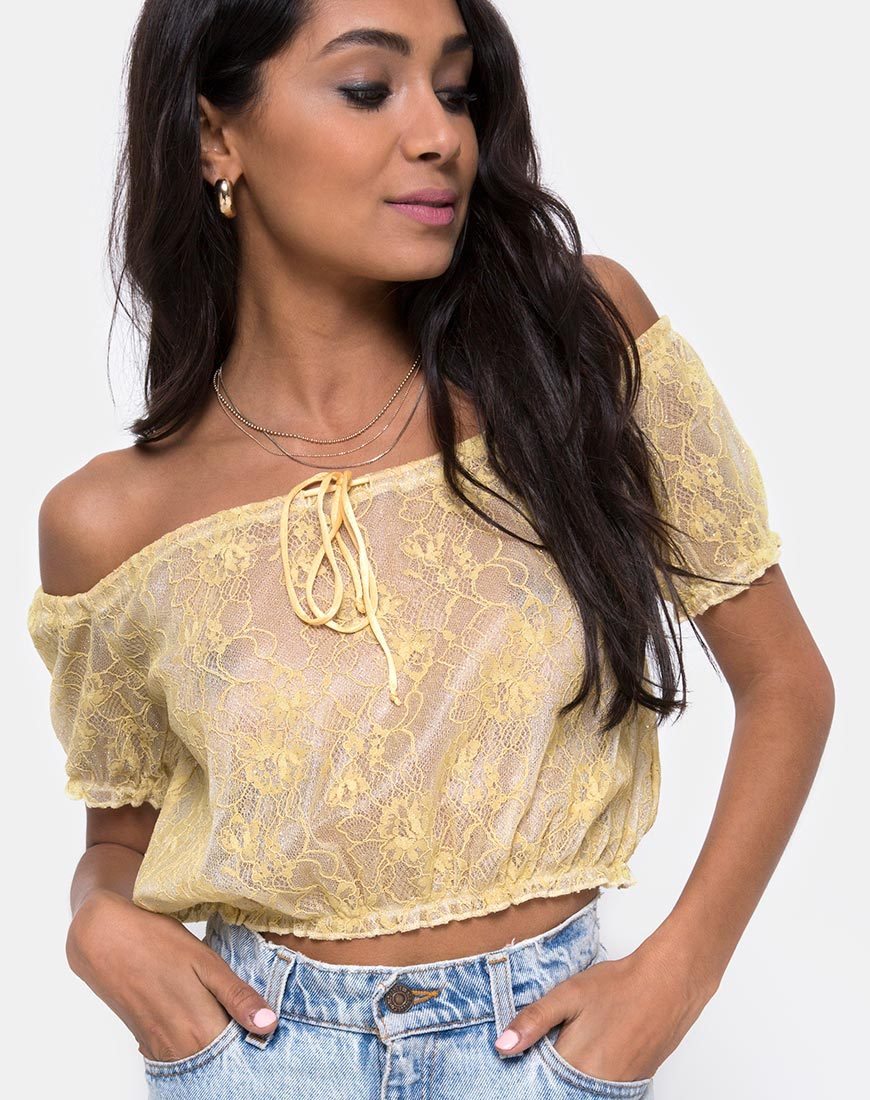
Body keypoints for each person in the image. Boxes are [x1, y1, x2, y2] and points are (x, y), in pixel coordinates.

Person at [25, 1, 834, 1097]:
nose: (441, 134)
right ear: (217, 136)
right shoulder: (111, 520)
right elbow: (121, 838)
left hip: (537, 1053)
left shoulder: (575, 351)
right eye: (369, 89)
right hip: (258, 1057)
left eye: (455, 91)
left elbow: (787, 680)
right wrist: (93, 917)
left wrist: (676, 977)